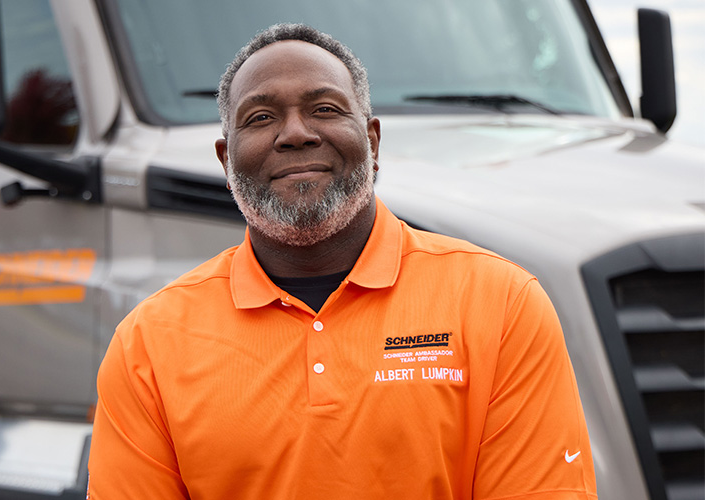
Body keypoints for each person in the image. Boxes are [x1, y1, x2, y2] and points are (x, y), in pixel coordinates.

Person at [88, 23, 598, 500]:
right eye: (261, 117)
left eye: (326, 109)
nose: (295, 133)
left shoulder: (503, 305)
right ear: (226, 161)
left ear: (373, 143)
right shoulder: (148, 346)